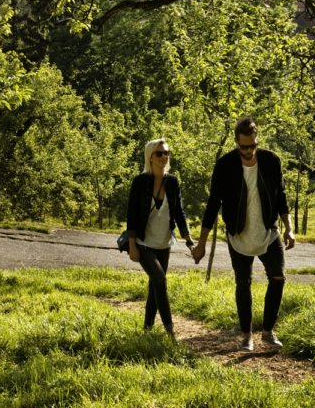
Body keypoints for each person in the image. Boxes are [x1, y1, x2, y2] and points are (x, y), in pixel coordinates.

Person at [190, 116, 295, 352]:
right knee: (243, 283)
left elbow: (281, 197)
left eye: (253, 146)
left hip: (268, 231)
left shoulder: (271, 161)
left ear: (257, 141)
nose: (249, 151)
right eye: (244, 146)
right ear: (237, 142)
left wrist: (289, 227)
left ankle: (268, 332)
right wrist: (202, 243)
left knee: (278, 277)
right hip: (239, 234)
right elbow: (213, 204)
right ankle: (246, 335)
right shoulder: (225, 165)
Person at [125, 138, 194, 340]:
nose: (164, 156)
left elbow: (179, 213)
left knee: (155, 285)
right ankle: (170, 329)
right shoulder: (140, 181)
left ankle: (147, 329)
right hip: (143, 243)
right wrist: (132, 246)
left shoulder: (172, 182)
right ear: (150, 157)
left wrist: (189, 239)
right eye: (159, 153)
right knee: (160, 280)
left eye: (166, 153)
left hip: (164, 243)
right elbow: (131, 214)